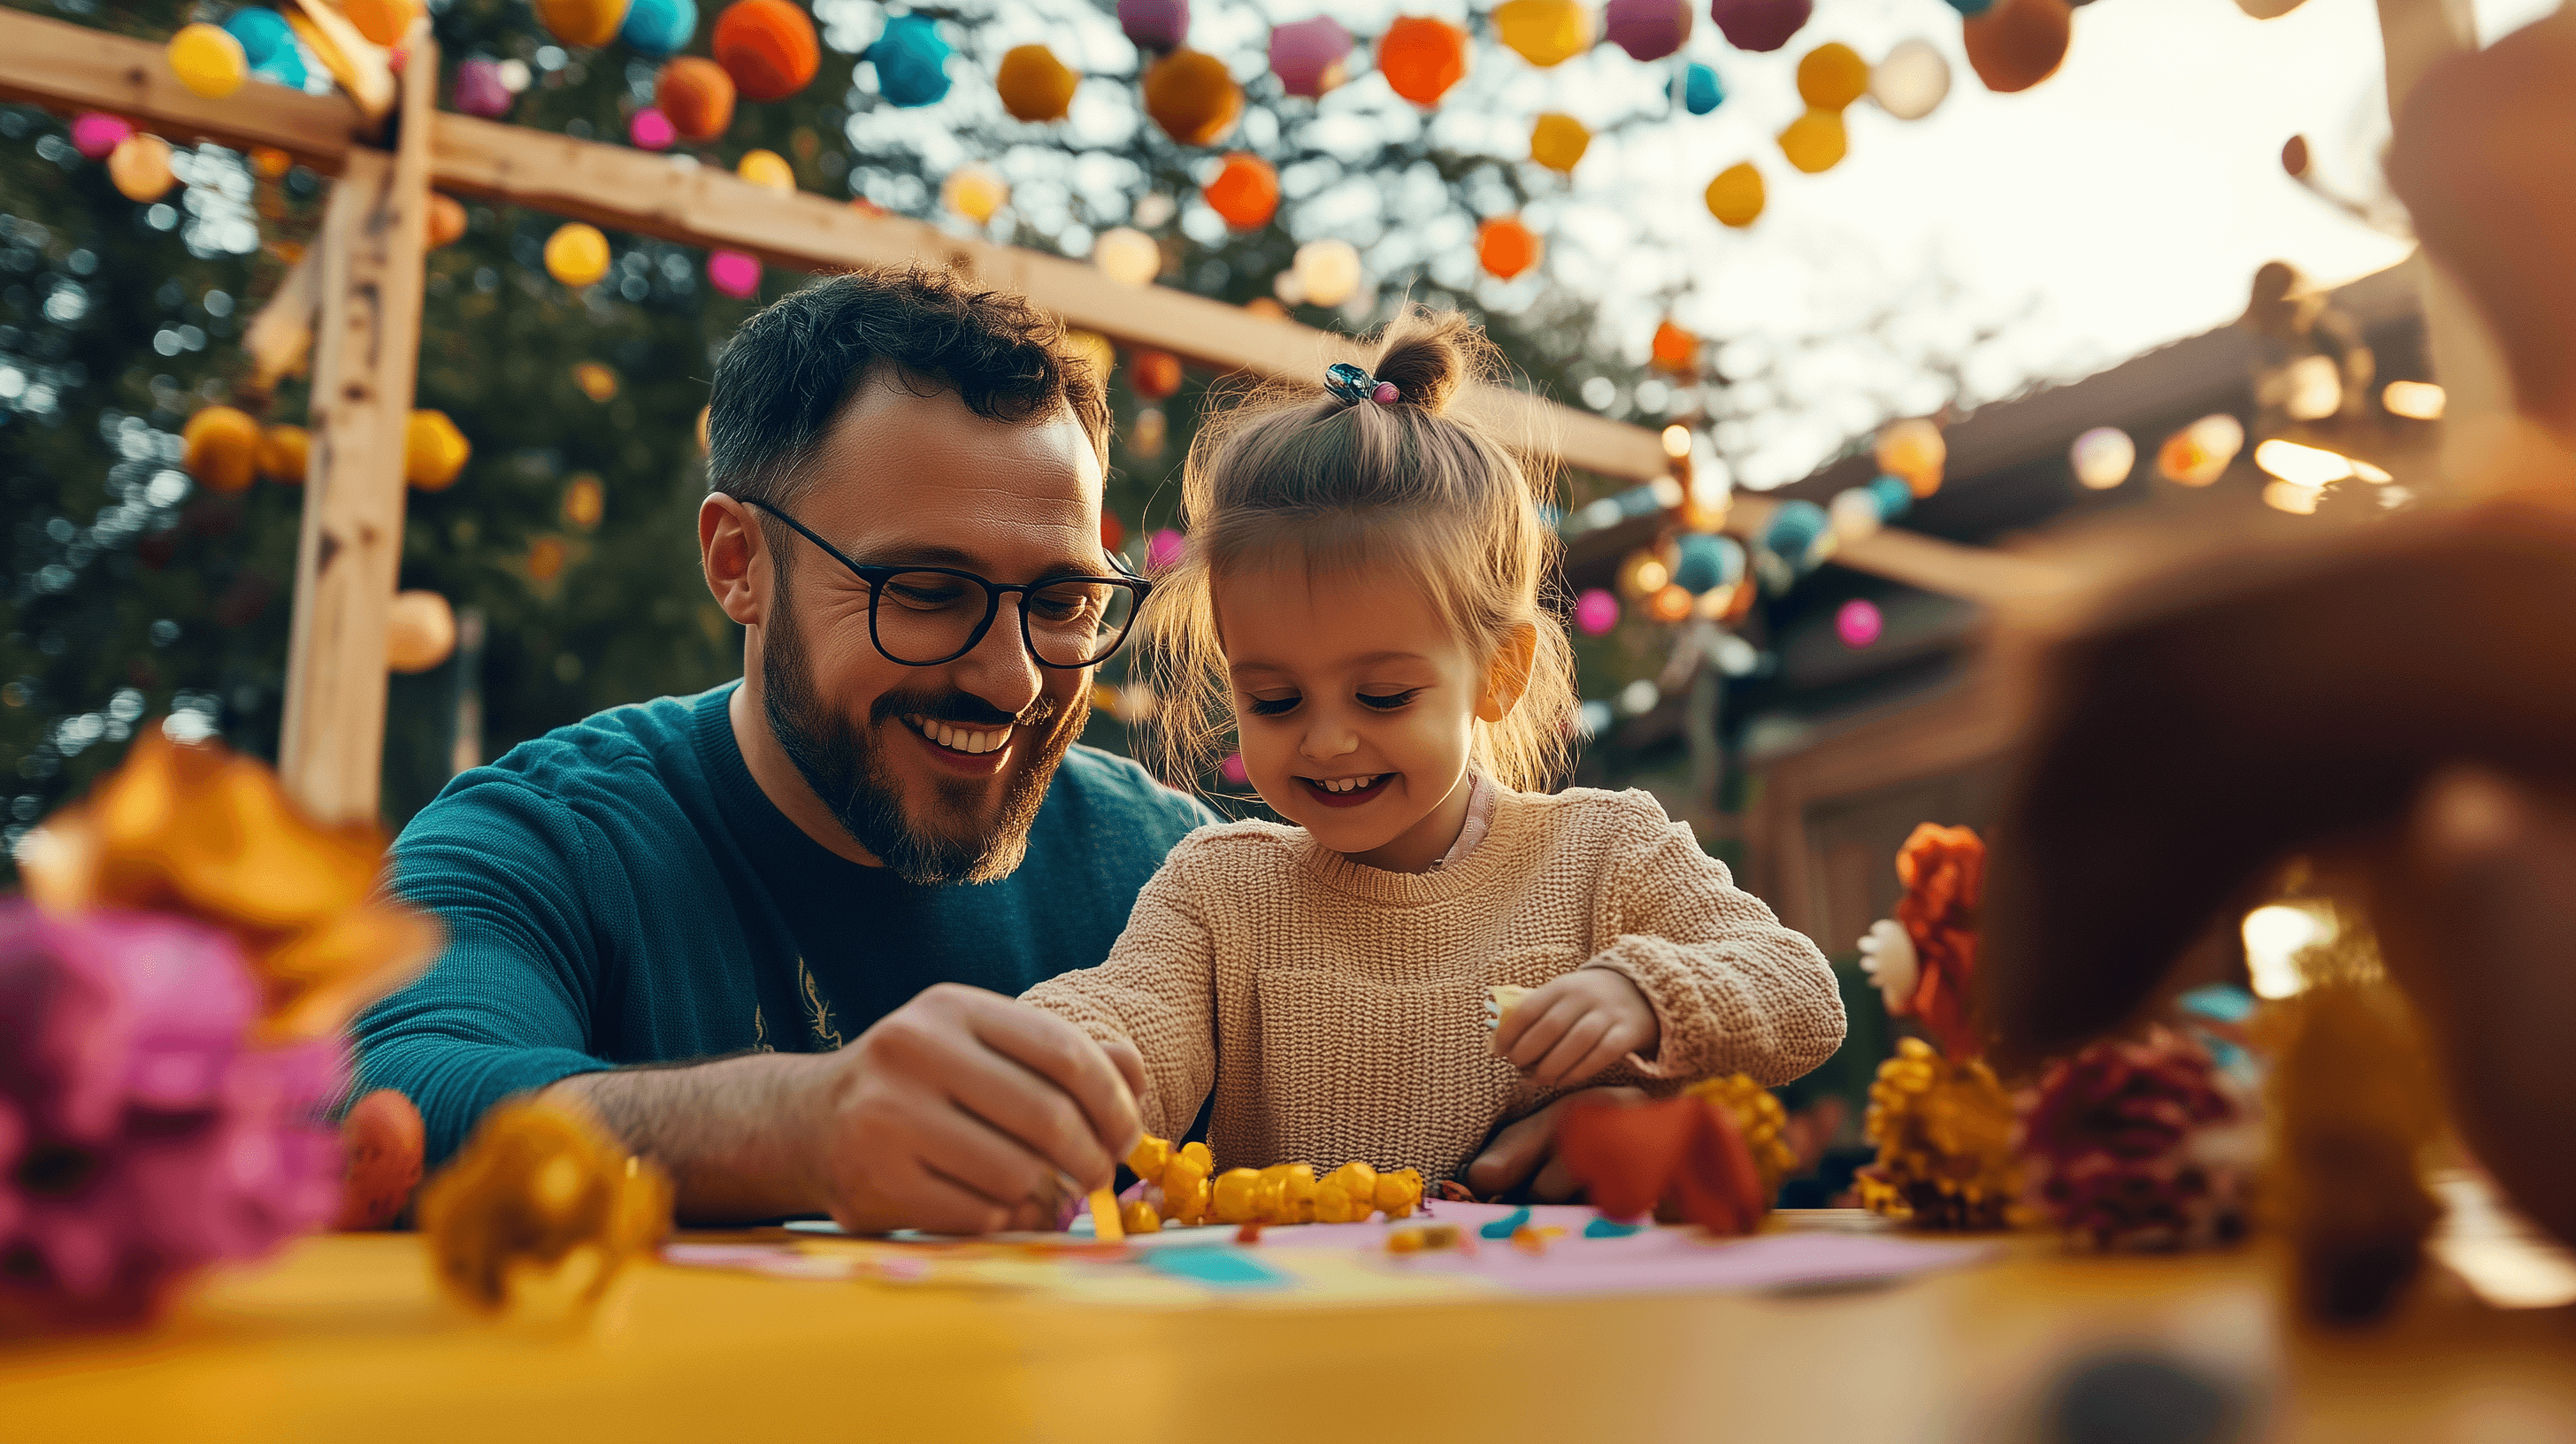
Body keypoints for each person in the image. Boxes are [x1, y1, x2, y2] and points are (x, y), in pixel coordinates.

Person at [353, 266, 1214, 1233]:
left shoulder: (1173, 870)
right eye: (927, 592)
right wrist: (795, 1129)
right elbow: (384, 1103)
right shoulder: (546, 840)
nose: (1012, 682)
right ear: (738, 564)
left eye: (1062, 604)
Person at [1019, 311, 1846, 1183]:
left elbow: (1797, 992)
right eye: (1274, 699)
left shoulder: (1605, 856)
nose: (1327, 739)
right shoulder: (1217, 892)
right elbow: (1129, 1018)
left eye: (1381, 695)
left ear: (1496, 672)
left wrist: (1645, 992)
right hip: (1295, 1316)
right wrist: (1042, 1068)